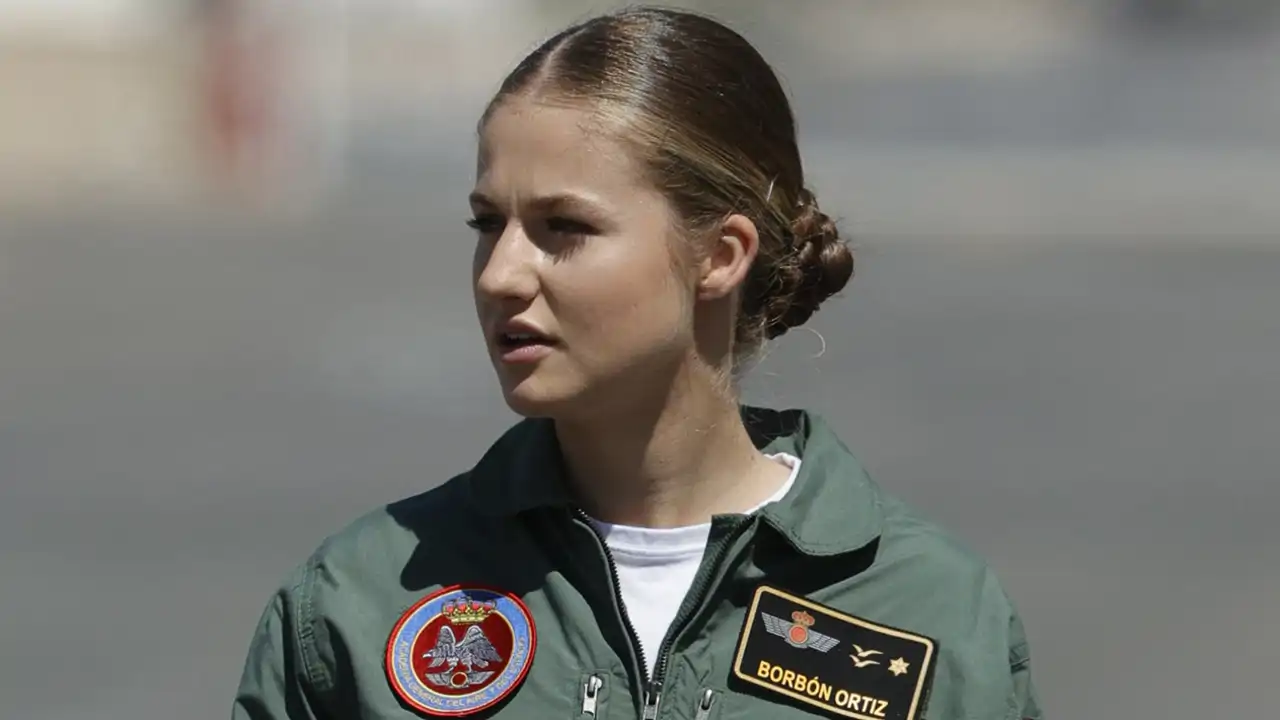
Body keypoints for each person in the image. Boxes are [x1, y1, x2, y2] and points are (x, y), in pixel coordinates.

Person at [232, 7, 1043, 720]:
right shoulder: (362, 602)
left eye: (564, 227)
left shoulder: (927, 613)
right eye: (488, 223)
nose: (500, 273)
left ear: (720, 256)